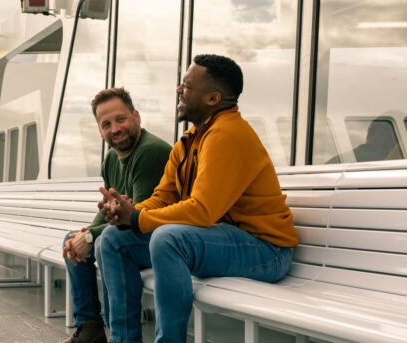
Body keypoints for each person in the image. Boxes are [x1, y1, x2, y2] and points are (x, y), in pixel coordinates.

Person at [99, 54, 298, 343]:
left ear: (213, 98)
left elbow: (202, 210)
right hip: (220, 240)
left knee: (168, 239)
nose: (179, 91)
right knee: (112, 239)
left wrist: (138, 218)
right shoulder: (190, 141)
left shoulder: (227, 135)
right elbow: (162, 198)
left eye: (187, 86)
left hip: (265, 250)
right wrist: (126, 214)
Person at [60, 87, 172, 343]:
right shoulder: (111, 158)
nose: (115, 129)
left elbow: (140, 217)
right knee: (73, 237)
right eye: (106, 124)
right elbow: (107, 207)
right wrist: (85, 235)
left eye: (121, 119)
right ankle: (90, 327)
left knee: (109, 240)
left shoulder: (150, 152)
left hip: (161, 240)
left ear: (136, 117)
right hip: (136, 236)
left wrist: (89, 239)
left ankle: (123, 338)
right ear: (100, 131)